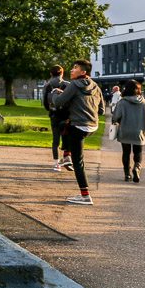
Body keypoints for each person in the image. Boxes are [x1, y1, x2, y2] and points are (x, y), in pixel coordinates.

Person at [51, 59, 105, 205]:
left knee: (78, 161)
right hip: (92, 126)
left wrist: (55, 93)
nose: (71, 70)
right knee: (65, 125)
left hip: (79, 127)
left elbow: (57, 102)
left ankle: (85, 195)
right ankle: (66, 155)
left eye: (75, 68)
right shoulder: (95, 85)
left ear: (83, 72)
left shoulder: (74, 84)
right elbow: (101, 110)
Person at [111, 79, 145, 183]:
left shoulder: (122, 102)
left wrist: (116, 121)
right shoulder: (144, 102)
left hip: (125, 131)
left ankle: (127, 174)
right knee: (138, 152)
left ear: (126, 89)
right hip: (139, 131)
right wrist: (143, 117)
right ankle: (137, 168)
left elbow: (115, 117)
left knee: (126, 153)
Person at [43, 65, 72, 171]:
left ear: (51, 73)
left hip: (54, 115)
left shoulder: (47, 85)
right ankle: (67, 157)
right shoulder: (68, 85)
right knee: (67, 136)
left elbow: (45, 103)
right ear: (62, 73)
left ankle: (56, 163)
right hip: (66, 116)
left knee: (55, 140)